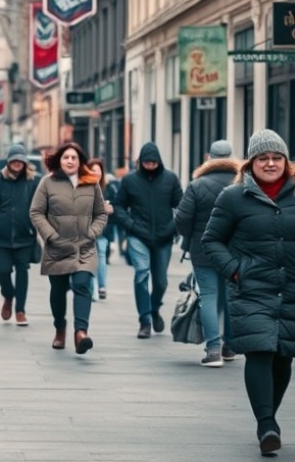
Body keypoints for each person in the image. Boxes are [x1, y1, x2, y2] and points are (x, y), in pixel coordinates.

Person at [202, 129, 295, 456]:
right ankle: (267, 424)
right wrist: (236, 269)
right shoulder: (233, 197)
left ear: (286, 161)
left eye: (277, 157)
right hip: (252, 288)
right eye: (263, 158)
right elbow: (210, 240)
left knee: (283, 355)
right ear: (251, 163)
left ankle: (266, 415)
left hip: (291, 289)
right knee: (260, 350)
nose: (270, 163)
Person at [30, 143, 107, 354]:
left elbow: (101, 213)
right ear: (59, 161)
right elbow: (36, 212)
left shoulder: (92, 183)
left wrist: (93, 232)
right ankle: (60, 328)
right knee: (58, 291)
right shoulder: (47, 183)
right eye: (66, 158)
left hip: (85, 247)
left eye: (74, 157)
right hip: (57, 247)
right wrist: (50, 235)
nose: (70, 161)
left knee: (83, 284)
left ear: (80, 161)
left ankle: (81, 332)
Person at [174, 139, 239, 367]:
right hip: (233, 251)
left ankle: (213, 350)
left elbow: (182, 218)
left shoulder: (197, 185)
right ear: (231, 156)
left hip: (203, 249)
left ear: (208, 157)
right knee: (230, 296)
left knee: (209, 296)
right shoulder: (242, 182)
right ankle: (230, 346)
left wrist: (190, 236)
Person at [114, 142, 183, 339]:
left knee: (161, 282)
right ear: (140, 162)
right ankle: (144, 321)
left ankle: (154, 308)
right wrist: (131, 226)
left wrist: (173, 228)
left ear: (159, 161)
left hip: (164, 236)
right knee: (142, 274)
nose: (150, 165)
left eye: (153, 162)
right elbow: (119, 206)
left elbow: (183, 206)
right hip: (139, 235)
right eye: (146, 162)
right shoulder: (129, 181)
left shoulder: (170, 179)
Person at [0, 144, 42, 326]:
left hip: (25, 237)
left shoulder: (33, 181)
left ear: (25, 162)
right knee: (3, 271)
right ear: (8, 161)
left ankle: (20, 310)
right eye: (13, 160)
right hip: (2, 237)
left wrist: (35, 224)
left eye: (20, 160)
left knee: (23, 272)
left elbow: (43, 204)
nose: (17, 163)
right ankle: (8, 295)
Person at [87, 158, 114, 301]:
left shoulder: (107, 188)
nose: (95, 173)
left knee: (101, 255)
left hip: (103, 230)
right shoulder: (83, 187)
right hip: (88, 229)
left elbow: (115, 207)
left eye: (97, 171)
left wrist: (110, 209)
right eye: (92, 170)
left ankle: (102, 286)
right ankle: (94, 288)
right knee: (91, 258)